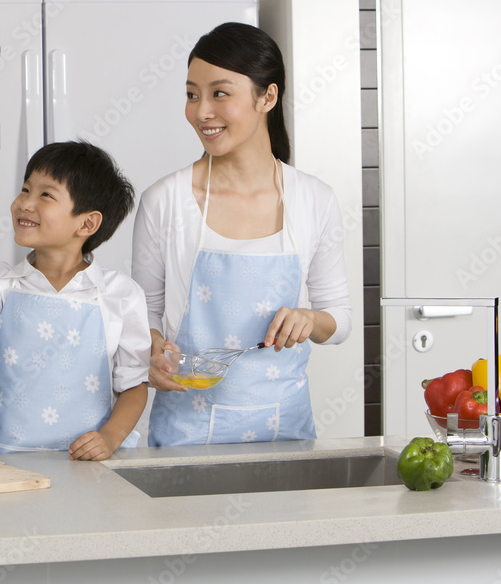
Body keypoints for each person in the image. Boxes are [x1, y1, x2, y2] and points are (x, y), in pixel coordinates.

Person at [131, 22, 352, 446]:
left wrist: (309, 319)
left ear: (267, 96)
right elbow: (143, 317)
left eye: (220, 93)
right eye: (192, 94)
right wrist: (153, 354)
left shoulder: (313, 200)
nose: (201, 111)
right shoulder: (165, 200)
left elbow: (338, 320)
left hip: (285, 432)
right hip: (185, 434)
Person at [0, 141, 151, 460]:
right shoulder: (4, 283)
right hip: (11, 457)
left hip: (90, 463)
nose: (24, 203)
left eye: (45, 195)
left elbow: (134, 385)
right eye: (25, 189)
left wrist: (109, 438)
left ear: (87, 223)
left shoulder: (120, 293)